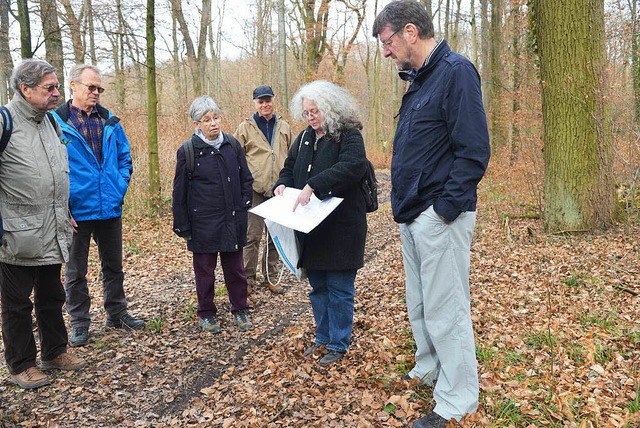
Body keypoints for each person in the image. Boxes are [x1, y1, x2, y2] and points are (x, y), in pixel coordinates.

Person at [373, 1, 491, 426]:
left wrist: (443, 210)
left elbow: (474, 151)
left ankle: (457, 399)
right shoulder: (418, 81)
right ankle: (430, 368)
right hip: (412, 215)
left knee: (446, 308)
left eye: (387, 42)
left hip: (440, 216)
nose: (386, 53)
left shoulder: (455, 72)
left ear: (409, 31)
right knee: (420, 302)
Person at [0, 59, 86, 389]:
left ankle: (55, 352)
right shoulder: (5, 120)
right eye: (49, 88)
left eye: (56, 86)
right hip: (16, 233)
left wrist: (64, 210)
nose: (56, 93)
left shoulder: (51, 122)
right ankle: (21, 364)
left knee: (52, 295)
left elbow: (54, 173)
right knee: (17, 303)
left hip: (53, 226)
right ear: (25, 89)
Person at [273, 81, 367, 367]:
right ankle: (323, 336)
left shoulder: (348, 135)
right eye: (306, 113)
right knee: (318, 287)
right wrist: (282, 184)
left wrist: (314, 184)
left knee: (339, 287)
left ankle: (338, 343)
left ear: (329, 109)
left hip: (341, 227)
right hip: (311, 227)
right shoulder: (303, 138)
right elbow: (290, 168)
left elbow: (353, 166)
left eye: (315, 111)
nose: (310, 117)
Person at [52, 64, 144, 348]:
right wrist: (63, 208)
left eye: (99, 89)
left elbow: (125, 158)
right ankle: (79, 323)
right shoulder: (56, 123)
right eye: (91, 87)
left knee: (113, 266)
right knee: (75, 272)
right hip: (77, 211)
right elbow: (52, 168)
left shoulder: (111, 122)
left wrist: (119, 187)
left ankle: (117, 313)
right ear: (73, 86)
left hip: (109, 207)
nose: (96, 93)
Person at [172, 96, 254, 334]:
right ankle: (206, 313)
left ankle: (240, 309)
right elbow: (180, 193)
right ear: (196, 124)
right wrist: (183, 225)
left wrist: (243, 205)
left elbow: (245, 178)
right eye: (206, 120)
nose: (213, 123)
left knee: (236, 270)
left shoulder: (232, 145)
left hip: (232, 220)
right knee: (205, 273)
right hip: (202, 224)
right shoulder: (188, 151)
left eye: (215, 118)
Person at [234, 85, 292, 295]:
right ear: (255, 103)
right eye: (261, 101)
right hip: (254, 190)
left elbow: (291, 158)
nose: (265, 104)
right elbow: (236, 158)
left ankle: (271, 276)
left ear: (273, 101)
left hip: (279, 190)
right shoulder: (244, 128)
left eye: (268, 100)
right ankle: (248, 278)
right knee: (252, 236)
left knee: (275, 236)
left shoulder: (284, 126)